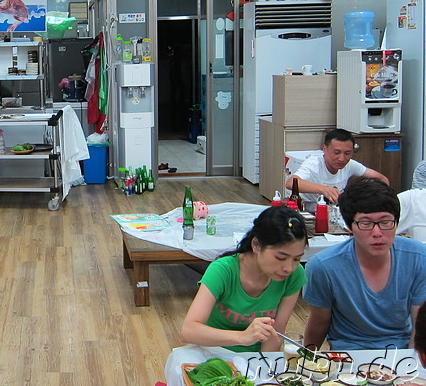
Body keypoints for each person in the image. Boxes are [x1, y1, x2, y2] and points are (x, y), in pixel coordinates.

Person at [303, 177, 426, 351]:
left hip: (400, 353)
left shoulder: (418, 257)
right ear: (349, 226)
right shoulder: (323, 266)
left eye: (385, 222)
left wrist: (412, 368)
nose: (377, 233)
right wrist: (305, 364)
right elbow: (319, 324)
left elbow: (419, 328)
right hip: (347, 354)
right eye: (366, 223)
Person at [180, 206, 308, 353]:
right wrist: (242, 337)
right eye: (281, 258)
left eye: (297, 259)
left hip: (255, 359)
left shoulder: (294, 275)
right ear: (256, 245)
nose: (289, 268)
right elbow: (188, 331)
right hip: (213, 354)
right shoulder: (223, 270)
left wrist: (260, 368)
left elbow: (275, 334)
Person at [285, 128, 389, 211]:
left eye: (347, 153)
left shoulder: (350, 165)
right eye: (336, 153)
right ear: (324, 149)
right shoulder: (314, 163)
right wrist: (324, 189)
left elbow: (383, 179)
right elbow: (290, 183)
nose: (342, 158)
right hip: (309, 211)